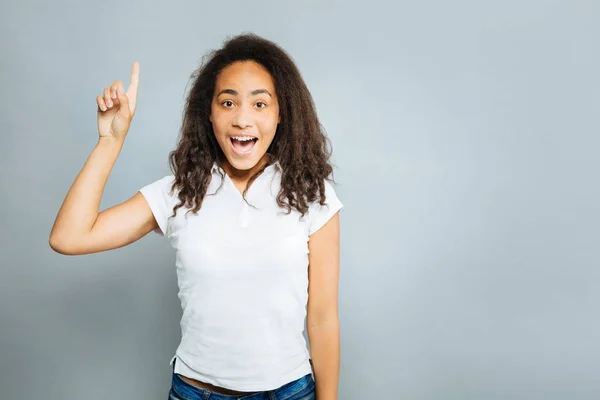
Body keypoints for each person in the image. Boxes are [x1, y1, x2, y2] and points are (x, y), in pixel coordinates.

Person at [50, 33, 342, 400]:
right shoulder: (180, 191)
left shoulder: (312, 195)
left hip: (289, 393)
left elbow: (323, 319)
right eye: (228, 102)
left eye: (260, 104)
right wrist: (110, 141)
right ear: (209, 112)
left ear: (281, 113)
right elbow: (69, 237)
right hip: (196, 393)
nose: (242, 119)